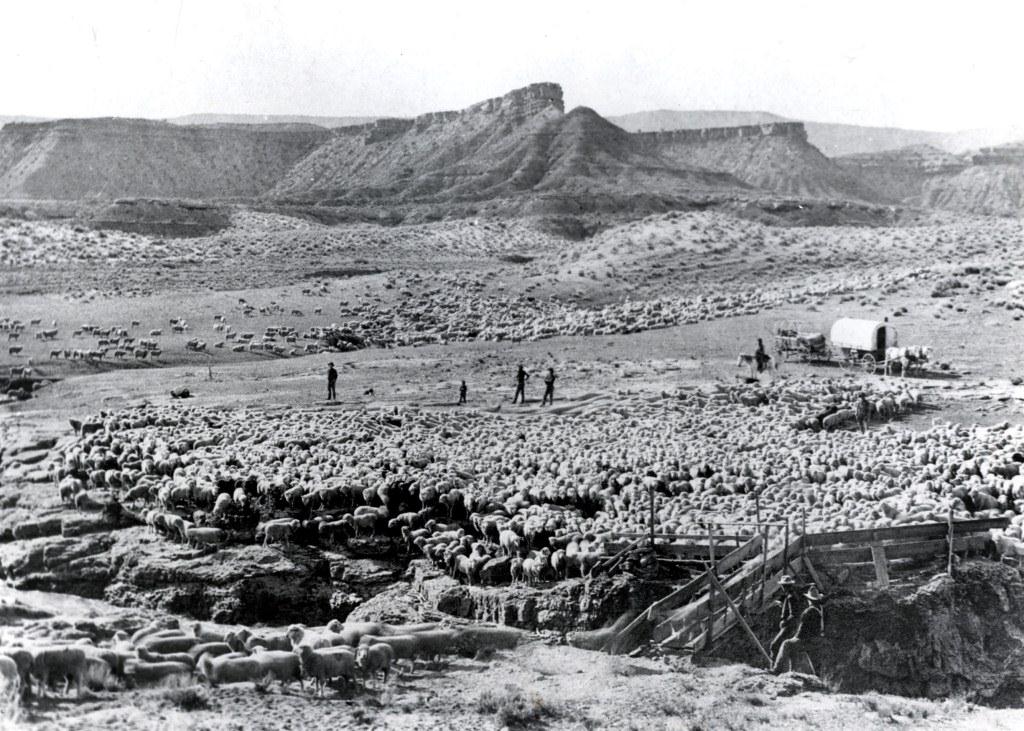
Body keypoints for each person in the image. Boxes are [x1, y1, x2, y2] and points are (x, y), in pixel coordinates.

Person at [772, 585, 825, 674]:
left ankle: (777, 670)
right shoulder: (819, 610)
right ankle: (794, 671)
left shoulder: (808, 612)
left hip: (808, 641)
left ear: (809, 600)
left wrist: (796, 638)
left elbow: (802, 630)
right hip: (817, 640)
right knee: (795, 646)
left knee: (787, 644)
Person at [769, 574, 803, 659]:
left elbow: (794, 614)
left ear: (784, 586)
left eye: (783, 586)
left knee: (774, 645)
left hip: (789, 626)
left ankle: (774, 668)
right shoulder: (790, 595)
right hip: (792, 625)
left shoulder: (791, 597)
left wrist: (785, 622)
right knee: (782, 646)